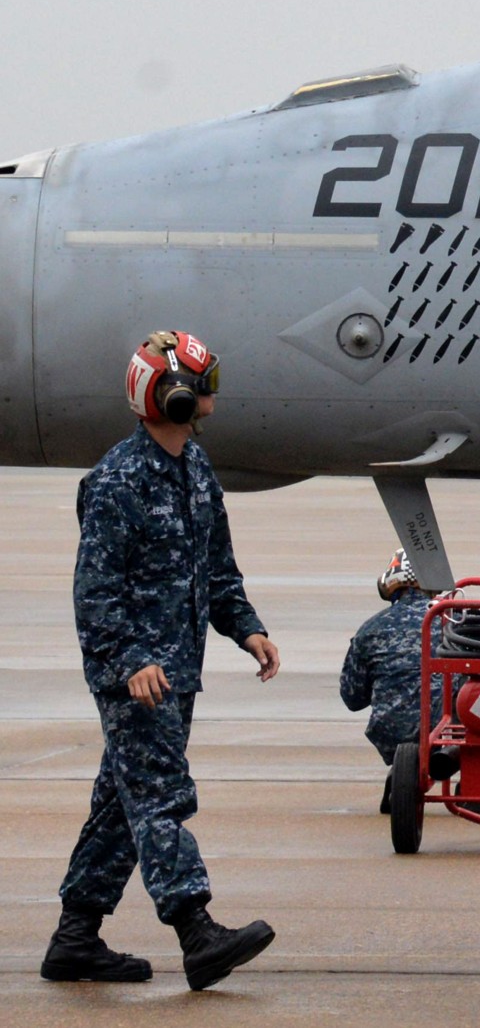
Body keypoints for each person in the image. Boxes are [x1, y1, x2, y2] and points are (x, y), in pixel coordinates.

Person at [42, 331, 280, 990]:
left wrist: (247, 630)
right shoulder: (117, 479)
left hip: (178, 671)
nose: (211, 396)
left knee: (119, 805)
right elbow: (94, 593)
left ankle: (74, 939)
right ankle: (196, 930)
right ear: (177, 393)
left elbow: (217, 569)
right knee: (158, 799)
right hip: (136, 678)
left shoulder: (197, 470)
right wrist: (128, 661)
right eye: (207, 383)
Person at [339, 550, 448, 814]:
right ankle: (478, 786)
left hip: (390, 732)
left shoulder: (370, 629)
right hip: (448, 735)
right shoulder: (454, 622)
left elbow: (352, 698)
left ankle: (401, 771)